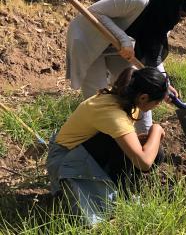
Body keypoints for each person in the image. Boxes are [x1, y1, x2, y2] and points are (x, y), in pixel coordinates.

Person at [66, 0, 186, 136]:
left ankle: (144, 138)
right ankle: (101, 142)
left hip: (117, 49)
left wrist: (163, 83)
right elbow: (93, 12)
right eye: (180, 15)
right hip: (89, 39)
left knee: (142, 86)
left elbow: (152, 56)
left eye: (184, 18)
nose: (179, 21)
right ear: (170, 4)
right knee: (98, 97)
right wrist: (123, 38)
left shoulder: (163, 22)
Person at [46, 67, 168, 225]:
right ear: (143, 98)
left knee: (152, 150)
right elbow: (143, 163)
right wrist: (156, 130)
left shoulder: (126, 96)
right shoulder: (113, 114)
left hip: (82, 154)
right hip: (65, 163)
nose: (157, 106)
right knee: (143, 150)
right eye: (157, 103)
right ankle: (114, 201)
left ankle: (123, 195)